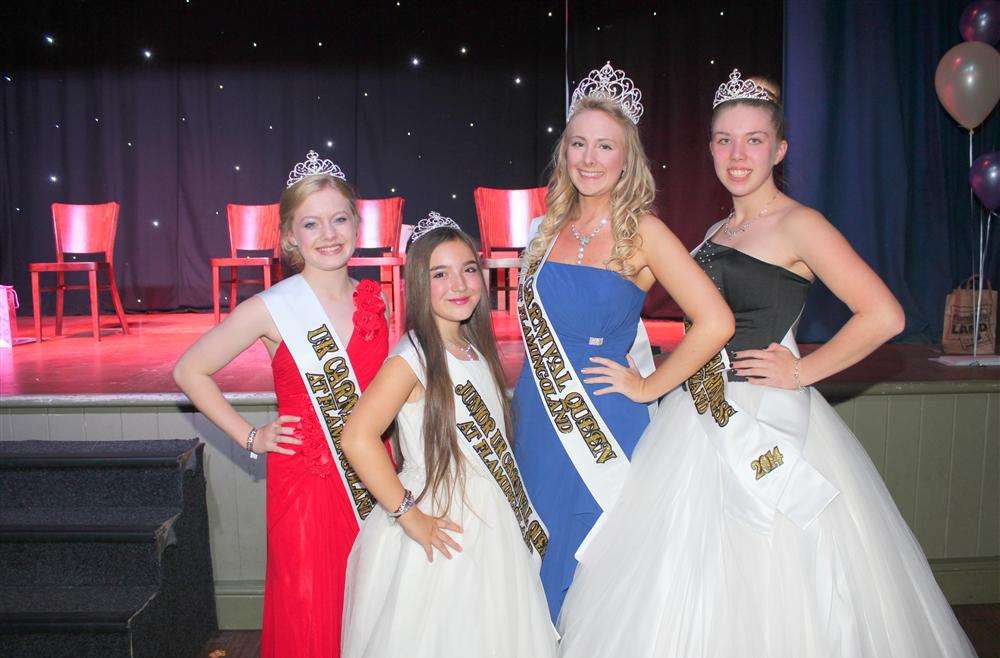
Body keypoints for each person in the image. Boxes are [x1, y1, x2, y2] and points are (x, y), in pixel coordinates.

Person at [556, 70, 977, 657]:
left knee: (771, 571)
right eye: (724, 139)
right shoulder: (716, 229)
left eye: (754, 140)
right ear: (709, 147)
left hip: (763, 420)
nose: (737, 153)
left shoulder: (799, 223)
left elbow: (884, 315)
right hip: (697, 415)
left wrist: (802, 369)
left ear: (779, 149)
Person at [512, 61, 735, 621]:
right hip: (540, 415)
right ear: (565, 151)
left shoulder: (645, 232)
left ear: (626, 156)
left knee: (598, 563)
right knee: (539, 554)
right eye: (579, 144)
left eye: (605, 147)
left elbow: (716, 321)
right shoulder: (547, 228)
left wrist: (649, 385)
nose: (589, 159)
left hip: (604, 420)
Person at [173, 151, 388, 658]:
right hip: (306, 481)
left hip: (372, 471)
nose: (328, 233)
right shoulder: (272, 308)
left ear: (357, 225)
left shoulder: (373, 300)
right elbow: (189, 371)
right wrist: (250, 436)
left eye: (339, 219)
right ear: (291, 237)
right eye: (311, 224)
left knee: (370, 601)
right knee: (310, 606)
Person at [341, 214, 557, 658]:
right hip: (443, 521)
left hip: (489, 519)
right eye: (440, 274)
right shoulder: (413, 357)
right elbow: (357, 437)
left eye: (468, 269)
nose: (458, 284)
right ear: (420, 283)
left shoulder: (474, 347)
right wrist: (408, 514)